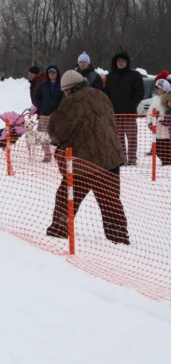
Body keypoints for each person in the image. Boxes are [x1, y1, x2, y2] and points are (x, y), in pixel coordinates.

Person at [47, 70, 129, 245]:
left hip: (84, 161)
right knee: (111, 202)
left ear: (68, 89)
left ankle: (58, 231)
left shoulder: (72, 101)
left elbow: (57, 131)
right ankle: (120, 239)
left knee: (65, 197)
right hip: (111, 159)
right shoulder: (100, 94)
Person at [104, 50, 144, 166]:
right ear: (115, 63)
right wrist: (110, 106)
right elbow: (106, 93)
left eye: (123, 61)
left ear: (127, 62)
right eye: (119, 61)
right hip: (115, 113)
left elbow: (140, 92)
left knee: (132, 137)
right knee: (118, 137)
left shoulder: (134, 75)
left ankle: (132, 158)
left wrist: (132, 104)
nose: (121, 63)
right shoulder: (111, 76)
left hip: (130, 113)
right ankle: (122, 158)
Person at [33, 65, 64, 162]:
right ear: (48, 73)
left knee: (57, 136)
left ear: (57, 73)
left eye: (54, 72)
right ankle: (47, 155)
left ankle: (58, 155)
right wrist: (41, 106)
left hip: (57, 115)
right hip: (45, 114)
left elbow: (65, 97)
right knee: (43, 136)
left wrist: (61, 108)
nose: (52, 74)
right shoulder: (42, 85)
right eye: (50, 72)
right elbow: (36, 96)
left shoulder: (62, 84)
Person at [147, 79, 171, 165]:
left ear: (164, 89)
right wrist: (149, 122)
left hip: (166, 129)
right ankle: (165, 160)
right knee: (158, 148)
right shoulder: (155, 99)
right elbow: (150, 112)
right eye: (156, 88)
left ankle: (168, 161)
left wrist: (161, 117)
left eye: (158, 88)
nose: (156, 90)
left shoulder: (168, 98)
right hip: (157, 129)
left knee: (167, 147)